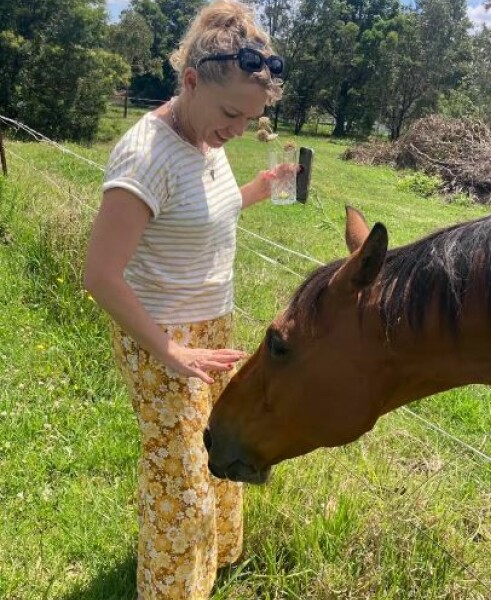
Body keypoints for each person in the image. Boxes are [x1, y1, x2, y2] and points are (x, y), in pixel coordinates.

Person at [84, 1, 284, 597]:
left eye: (251, 120)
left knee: (221, 446)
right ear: (191, 80)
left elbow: (199, 213)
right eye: (231, 114)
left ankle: (214, 563)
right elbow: (100, 273)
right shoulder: (146, 155)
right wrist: (169, 350)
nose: (238, 131)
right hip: (160, 337)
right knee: (180, 479)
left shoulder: (206, 139)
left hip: (211, 327)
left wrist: (257, 190)